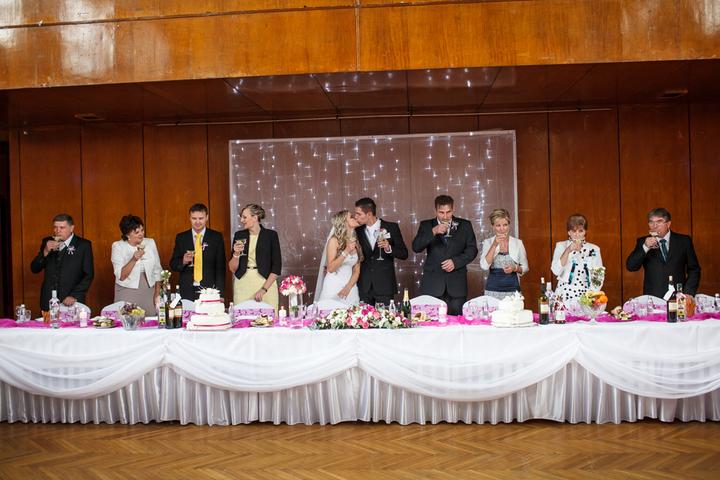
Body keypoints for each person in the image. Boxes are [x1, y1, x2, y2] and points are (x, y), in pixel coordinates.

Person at [411, 195, 478, 315]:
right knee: (432, 322)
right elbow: (416, 247)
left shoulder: (465, 225)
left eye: (448, 212)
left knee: (457, 323)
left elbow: (472, 250)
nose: (445, 216)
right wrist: (433, 231)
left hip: (457, 285)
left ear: (453, 209)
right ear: (435, 210)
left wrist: (455, 262)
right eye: (441, 212)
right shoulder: (426, 225)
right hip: (433, 284)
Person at [626, 207, 700, 298]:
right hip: (653, 298)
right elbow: (631, 266)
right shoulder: (643, 242)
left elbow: (694, 269)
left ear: (668, 224)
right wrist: (645, 247)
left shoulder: (684, 241)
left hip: (679, 297)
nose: (654, 226)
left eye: (659, 222)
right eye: (651, 222)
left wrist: (688, 292)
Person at [30, 213, 94, 312]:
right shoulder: (47, 242)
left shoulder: (83, 245)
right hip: (48, 301)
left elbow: (88, 274)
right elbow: (34, 269)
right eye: (55, 227)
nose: (57, 231)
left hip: (72, 301)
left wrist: (74, 295)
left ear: (71, 228)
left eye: (62, 227)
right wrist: (45, 251)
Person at [353, 197, 409, 306]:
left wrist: (389, 248)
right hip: (364, 286)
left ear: (369, 214)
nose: (356, 217)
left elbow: (404, 254)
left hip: (385, 285)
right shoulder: (357, 231)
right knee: (362, 317)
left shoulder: (391, 227)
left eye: (358, 214)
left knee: (385, 317)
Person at [170, 203, 227, 301]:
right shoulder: (181, 238)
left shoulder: (216, 237)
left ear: (207, 217)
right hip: (187, 289)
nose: (197, 222)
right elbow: (173, 264)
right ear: (189, 218)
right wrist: (183, 261)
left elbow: (220, 268)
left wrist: (220, 293)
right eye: (194, 218)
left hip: (209, 290)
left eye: (201, 218)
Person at [229, 204, 281, 310]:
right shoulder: (239, 235)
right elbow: (232, 268)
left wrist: (263, 289)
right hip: (243, 284)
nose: (242, 220)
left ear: (255, 217)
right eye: (241, 217)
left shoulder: (271, 235)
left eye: (244, 217)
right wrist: (236, 254)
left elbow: (277, 267)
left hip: (266, 283)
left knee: (267, 318)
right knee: (243, 317)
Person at [111, 215, 163, 314]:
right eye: (136, 232)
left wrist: (157, 293)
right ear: (127, 234)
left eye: (142, 230)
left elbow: (157, 270)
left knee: (150, 320)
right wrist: (134, 259)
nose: (141, 234)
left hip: (148, 290)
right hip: (127, 290)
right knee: (128, 319)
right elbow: (121, 276)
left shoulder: (150, 242)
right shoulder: (118, 246)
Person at [479, 208, 529, 299]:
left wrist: (515, 268)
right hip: (492, 291)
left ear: (509, 225)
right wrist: (494, 244)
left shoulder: (518, 243)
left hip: (513, 291)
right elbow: (484, 266)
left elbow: (525, 267)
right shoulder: (488, 242)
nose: (502, 229)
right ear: (493, 226)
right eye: (498, 225)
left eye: (505, 225)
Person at [550, 214, 602, 301]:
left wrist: (592, 296)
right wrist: (568, 250)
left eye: (580, 231)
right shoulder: (561, 246)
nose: (577, 234)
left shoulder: (594, 249)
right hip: (564, 294)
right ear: (569, 232)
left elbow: (598, 277)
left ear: (585, 232)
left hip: (586, 295)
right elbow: (556, 271)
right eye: (574, 231)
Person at [315, 210, 362, 305]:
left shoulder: (355, 242)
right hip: (334, 286)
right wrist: (346, 251)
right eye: (351, 217)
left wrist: (348, 287)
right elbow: (331, 268)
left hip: (350, 287)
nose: (355, 218)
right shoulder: (334, 241)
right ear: (344, 222)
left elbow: (356, 270)